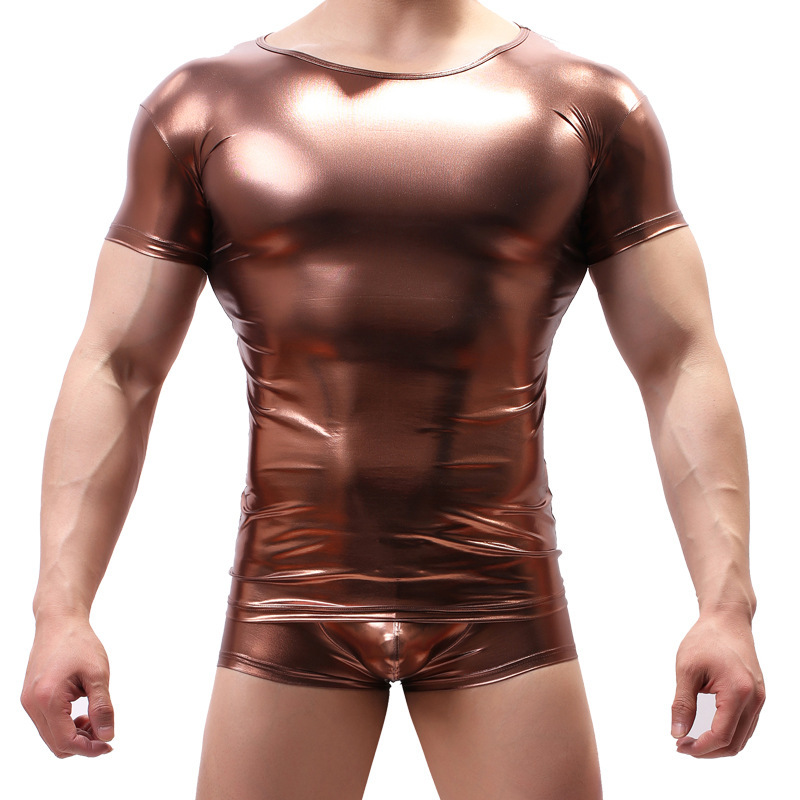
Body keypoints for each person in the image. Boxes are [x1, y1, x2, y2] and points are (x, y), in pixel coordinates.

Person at [21, 1, 765, 797]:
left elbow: (677, 359)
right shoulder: (204, 107)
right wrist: (59, 611)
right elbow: (118, 366)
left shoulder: (586, 106)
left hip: (499, 594)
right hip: (290, 597)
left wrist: (727, 608)